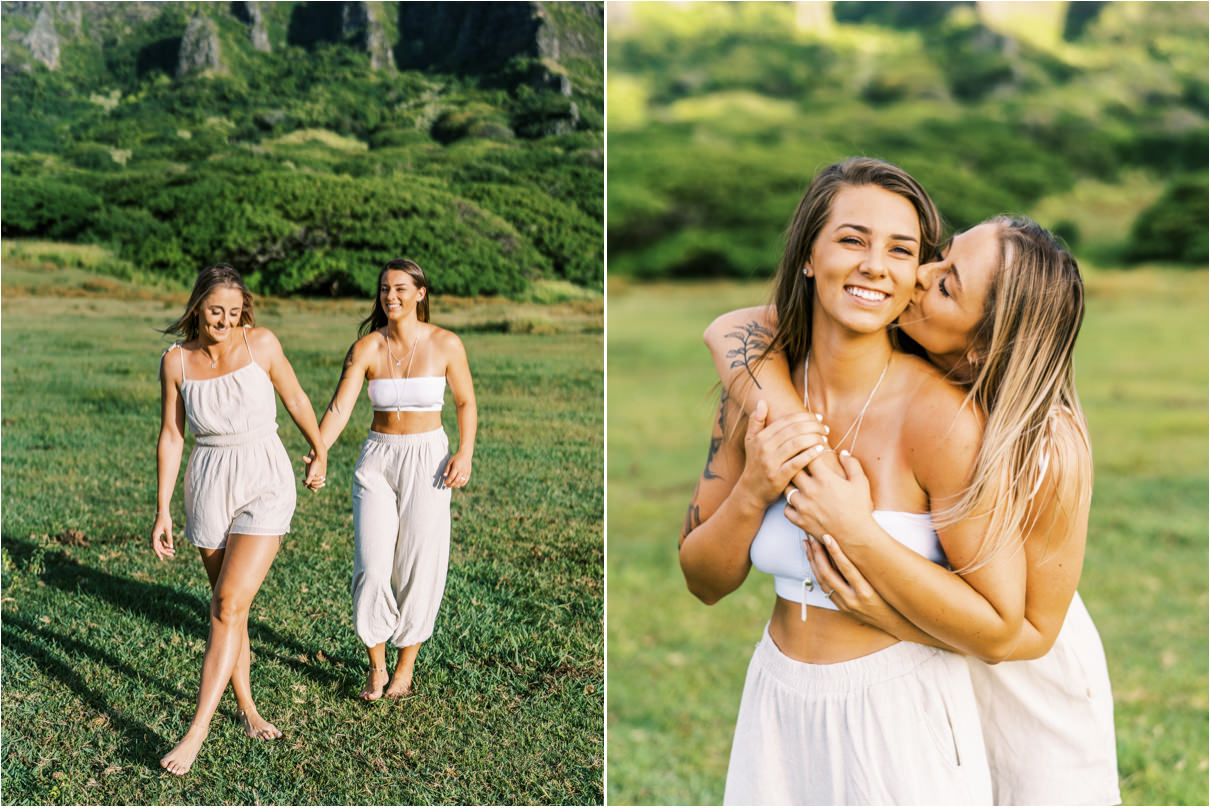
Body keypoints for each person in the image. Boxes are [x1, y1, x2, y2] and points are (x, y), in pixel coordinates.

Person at [702, 216, 1119, 805]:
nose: (918, 275)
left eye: (947, 285)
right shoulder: (895, 336)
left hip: (1019, 685)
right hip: (917, 672)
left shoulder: (1049, 447)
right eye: (940, 255)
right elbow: (732, 329)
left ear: (982, 346)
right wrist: (801, 447)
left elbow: (1026, 634)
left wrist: (877, 597)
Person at [679, 157, 1029, 805]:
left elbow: (1000, 624)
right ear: (808, 256)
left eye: (900, 250)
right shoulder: (752, 392)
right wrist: (755, 487)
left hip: (901, 712)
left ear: (913, 278)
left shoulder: (943, 420)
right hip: (775, 702)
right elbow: (701, 581)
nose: (875, 264)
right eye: (851, 239)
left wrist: (854, 530)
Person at [151, 263, 327, 775]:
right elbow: (171, 436)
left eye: (233, 311)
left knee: (227, 604)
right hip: (208, 482)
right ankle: (248, 709)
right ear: (197, 308)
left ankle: (196, 730)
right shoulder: (175, 363)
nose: (224, 320)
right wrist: (162, 508)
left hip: (264, 474)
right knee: (233, 610)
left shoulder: (262, 345)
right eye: (214, 311)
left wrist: (319, 450)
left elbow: (294, 396)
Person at [307, 258, 476, 701]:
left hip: (429, 460)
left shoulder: (446, 344)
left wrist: (465, 451)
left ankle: (405, 668)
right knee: (372, 565)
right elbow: (340, 408)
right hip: (377, 459)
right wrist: (320, 453)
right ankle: (376, 667)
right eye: (385, 289)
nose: (391, 297)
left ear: (421, 293)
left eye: (401, 289)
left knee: (420, 565)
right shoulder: (367, 348)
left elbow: (465, 403)